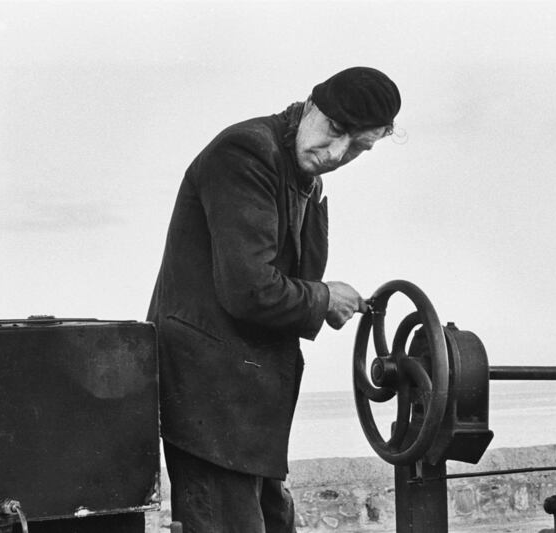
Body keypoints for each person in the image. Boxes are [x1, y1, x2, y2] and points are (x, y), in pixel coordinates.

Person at [147, 66, 401, 532]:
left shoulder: (305, 179)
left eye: (359, 147)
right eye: (336, 131)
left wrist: (324, 297)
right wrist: (324, 299)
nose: (337, 153)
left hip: (250, 408)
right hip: (211, 397)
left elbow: (289, 280)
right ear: (311, 106)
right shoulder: (246, 152)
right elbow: (249, 289)